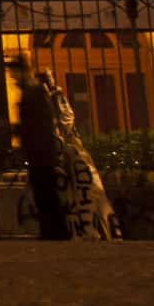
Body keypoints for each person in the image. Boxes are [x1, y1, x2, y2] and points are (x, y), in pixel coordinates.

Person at [39, 68, 119, 241]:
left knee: (87, 196)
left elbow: (66, 118)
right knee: (84, 196)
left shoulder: (56, 107)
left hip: (72, 160)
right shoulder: (47, 107)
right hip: (68, 162)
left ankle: (92, 231)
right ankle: (90, 231)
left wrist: (55, 92)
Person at [7, 56, 67, 240]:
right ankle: (52, 230)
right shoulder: (32, 91)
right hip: (39, 151)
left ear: (23, 71)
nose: (12, 77)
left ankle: (55, 232)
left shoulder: (34, 92)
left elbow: (39, 124)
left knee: (46, 194)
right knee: (45, 193)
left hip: (40, 152)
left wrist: (18, 131)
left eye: (14, 72)